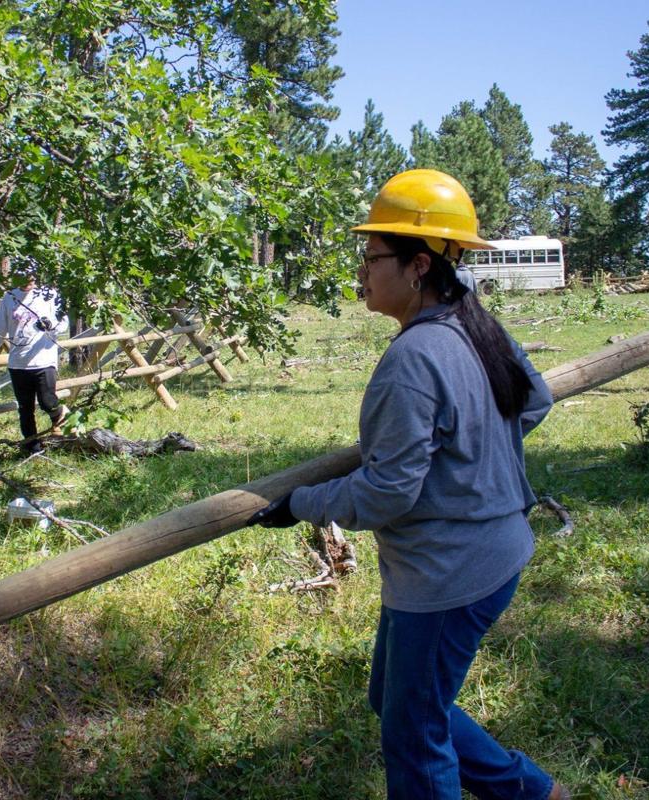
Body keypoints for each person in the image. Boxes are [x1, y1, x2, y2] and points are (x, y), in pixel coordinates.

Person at [250, 169, 567, 800]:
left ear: (419, 265)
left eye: (373, 258)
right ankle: (533, 794)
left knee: (415, 732)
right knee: (397, 699)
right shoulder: (478, 327)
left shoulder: (414, 359)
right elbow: (536, 400)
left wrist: (301, 504)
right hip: (489, 552)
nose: (362, 271)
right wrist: (470, 454)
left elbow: (386, 493)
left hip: (450, 572)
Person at [0, 267, 69, 453]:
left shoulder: (49, 295)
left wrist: (51, 325)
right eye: (23, 274)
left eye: (31, 274)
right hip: (18, 363)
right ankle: (32, 448)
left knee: (48, 401)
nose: (28, 279)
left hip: (43, 360)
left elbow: (63, 322)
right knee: (25, 409)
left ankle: (65, 425)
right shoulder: (10, 298)